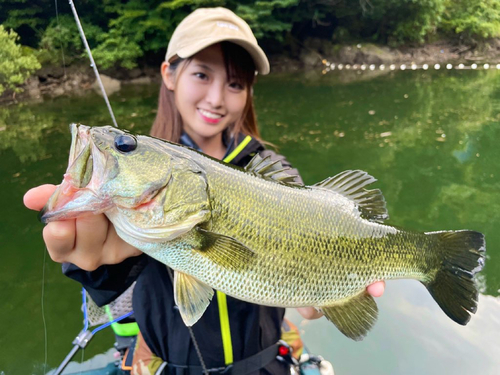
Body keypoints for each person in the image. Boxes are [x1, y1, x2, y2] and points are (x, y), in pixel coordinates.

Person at [24, 7, 385, 374]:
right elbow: (108, 285)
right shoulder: (137, 186)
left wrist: (316, 301)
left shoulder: (275, 173)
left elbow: (307, 296)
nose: (216, 98)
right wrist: (95, 267)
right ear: (169, 74)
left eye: (235, 84)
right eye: (201, 74)